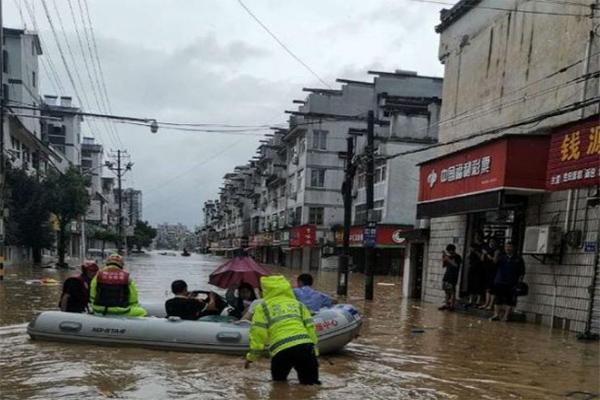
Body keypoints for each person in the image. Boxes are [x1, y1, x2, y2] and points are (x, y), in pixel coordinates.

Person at [245, 275, 320, 385]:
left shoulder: (263, 307)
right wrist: (315, 353)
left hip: (281, 350)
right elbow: (311, 329)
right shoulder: (299, 305)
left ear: (266, 290)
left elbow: (257, 334)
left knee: (278, 386)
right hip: (305, 347)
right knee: (311, 387)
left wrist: (251, 357)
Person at [491, 242, 525, 321]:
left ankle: (506, 316)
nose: (508, 249)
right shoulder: (501, 257)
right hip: (500, 281)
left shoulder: (518, 259)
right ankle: (496, 314)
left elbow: (522, 272)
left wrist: (519, 282)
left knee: (510, 300)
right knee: (498, 299)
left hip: (512, 282)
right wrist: (496, 255)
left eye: (510, 247)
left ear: (513, 248)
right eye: (506, 247)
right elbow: (494, 264)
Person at [480, 237, 502, 310]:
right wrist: (483, 254)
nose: (491, 243)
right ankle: (486, 303)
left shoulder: (497, 251)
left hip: (494, 271)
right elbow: (482, 259)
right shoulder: (487, 250)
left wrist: (488, 254)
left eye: (493, 242)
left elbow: (495, 261)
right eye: (490, 241)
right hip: (487, 270)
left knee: (492, 288)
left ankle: (491, 304)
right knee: (487, 288)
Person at [439, 244, 462, 311]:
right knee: (446, 291)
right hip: (447, 275)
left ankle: (452, 305)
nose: (449, 252)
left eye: (449, 251)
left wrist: (447, 258)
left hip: (453, 276)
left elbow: (455, 265)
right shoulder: (449, 257)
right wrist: (444, 258)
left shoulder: (458, 257)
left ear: (452, 250)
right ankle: (446, 304)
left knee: (452, 291)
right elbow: (444, 266)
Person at [467, 233, 486, 306]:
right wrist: (470, 252)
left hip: (480, 267)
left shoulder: (483, 246)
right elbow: (468, 256)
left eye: (478, 236)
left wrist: (475, 251)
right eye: (476, 236)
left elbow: (482, 258)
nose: (477, 238)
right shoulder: (472, 245)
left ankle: (478, 300)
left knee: (478, 284)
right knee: (471, 283)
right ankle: (471, 300)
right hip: (472, 266)